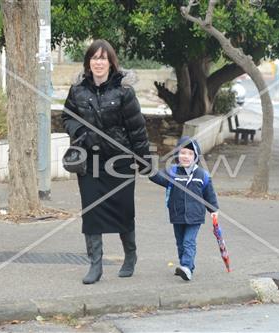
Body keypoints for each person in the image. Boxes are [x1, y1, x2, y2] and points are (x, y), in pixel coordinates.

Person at [62, 39, 150, 284]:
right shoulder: (78, 90)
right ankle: (95, 265)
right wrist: (79, 131)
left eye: (103, 58)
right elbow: (67, 117)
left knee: (124, 212)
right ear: (88, 62)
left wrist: (144, 162)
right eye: (94, 58)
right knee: (91, 213)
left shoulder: (124, 91)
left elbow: (137, 130)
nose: (98, 62)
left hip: (120, 162)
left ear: (111, 62)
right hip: (90, 163)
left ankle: (130, 256)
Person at [149, 137, 219, 281]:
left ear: (195, 157)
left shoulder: (202, 175)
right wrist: (147, 169)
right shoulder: (172, 172)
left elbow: (209, 195)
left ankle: (187, 266)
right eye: (182, 153)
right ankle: (185, 267)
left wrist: (213, 211)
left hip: (195, 216)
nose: (185, 156)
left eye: (189, 154)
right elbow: (157, 177)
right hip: (177, 214)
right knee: (180, 242)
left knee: (189, 242)